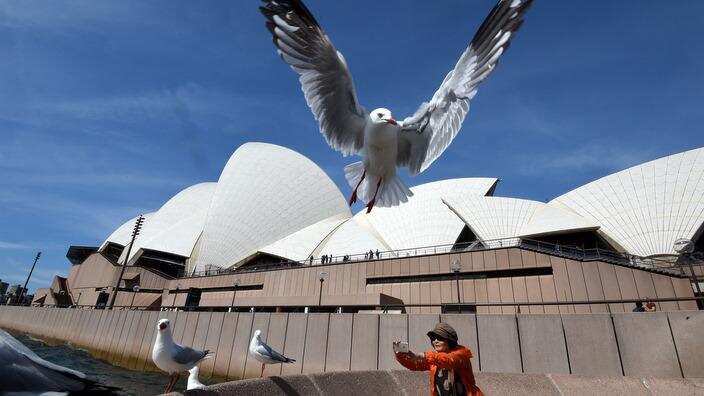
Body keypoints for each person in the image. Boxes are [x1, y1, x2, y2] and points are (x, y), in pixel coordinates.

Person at [394, 323, 483, 396]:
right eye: (433, 338)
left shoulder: (462, 354)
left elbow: (449, 360)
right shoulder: (434, 359)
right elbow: (414, 365)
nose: (435, 341)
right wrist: (400, 355)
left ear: (449, 340)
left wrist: (421, 355)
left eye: (440, 338)